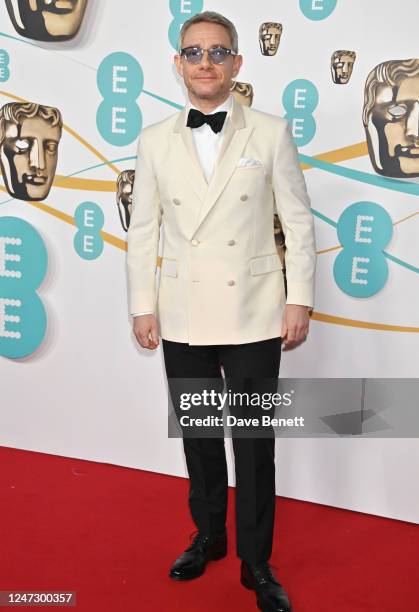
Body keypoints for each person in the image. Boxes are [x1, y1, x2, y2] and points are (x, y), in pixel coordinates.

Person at [126, 11, 316, 612]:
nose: (205, 62)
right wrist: (142, 304)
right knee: (201, 434)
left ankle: (256, 562)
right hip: (182, 311)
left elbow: (300, 222)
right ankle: (208, 535)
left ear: (237, 63)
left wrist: (299, 297)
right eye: (193, 52)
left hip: (256, 309)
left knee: (254, 442)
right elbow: (144, 231)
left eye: (217, 52)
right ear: (178, 64)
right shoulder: (154, 138)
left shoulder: (270, 132)